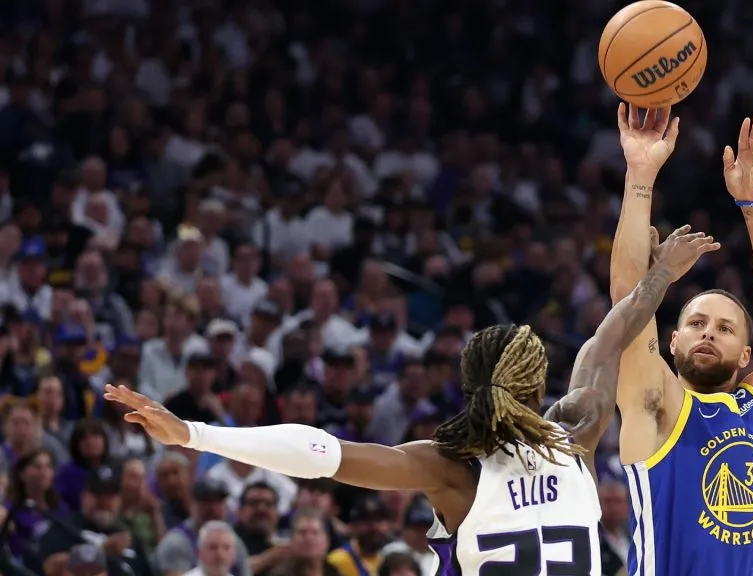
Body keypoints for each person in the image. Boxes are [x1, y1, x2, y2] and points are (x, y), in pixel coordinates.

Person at [103, 226, 720, 574]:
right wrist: (662, 272)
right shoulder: (576, 433)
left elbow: (322, 453)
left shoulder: (451, 466)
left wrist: (195, 434)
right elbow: (608, 340)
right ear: (537, 384)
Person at [610, 105, 753, 574]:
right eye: (697, 324)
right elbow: (626, 300)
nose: (708, 334)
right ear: (672, 341)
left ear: (746, 355)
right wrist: (640, 175)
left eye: (724, 328)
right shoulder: (655, 402)